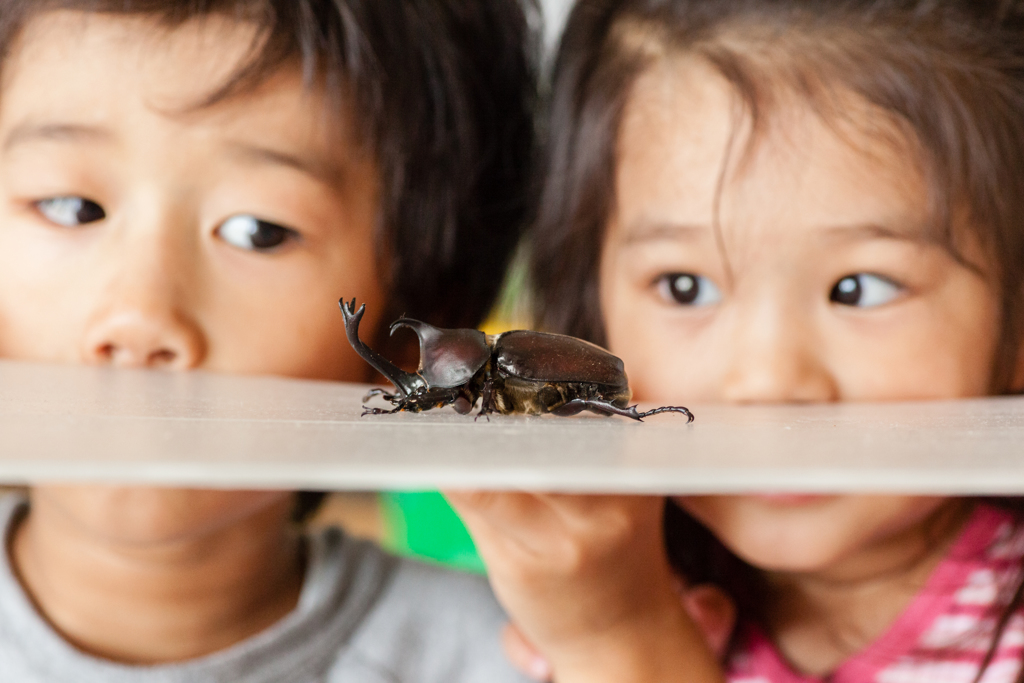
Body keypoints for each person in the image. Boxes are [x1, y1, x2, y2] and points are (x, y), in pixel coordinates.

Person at [448, 1, 1024, 682]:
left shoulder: (604, 618)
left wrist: (624, 642)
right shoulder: (580, 593)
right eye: (685, 286)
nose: (768, 381)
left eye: (860, 287)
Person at [0, 0, 536, 681]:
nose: (139, 316)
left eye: (259, 230)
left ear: (411, 337)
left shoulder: (509, 659)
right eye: (70, 208)